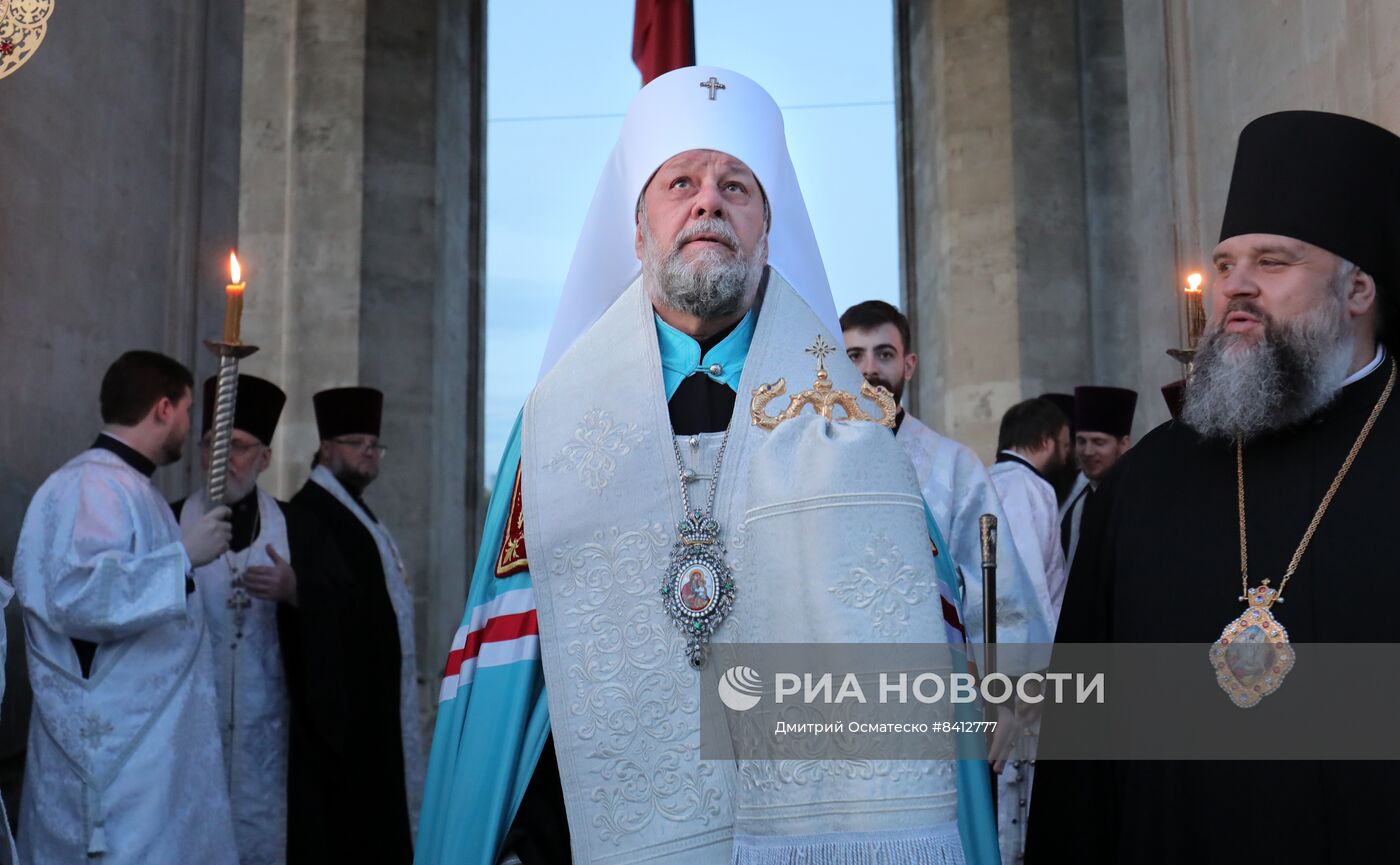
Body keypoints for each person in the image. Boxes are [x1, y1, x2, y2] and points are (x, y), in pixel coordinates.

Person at [417, 67, 1009, 865]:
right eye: (681, 183)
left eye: (737, 185)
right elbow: (512, 660)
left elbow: (913, 649)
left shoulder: (847, 424)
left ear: (768, 226)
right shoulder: (555, 425)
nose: (709, 202)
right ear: (637, 230)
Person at [1027, 110, 1400, 863]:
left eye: (1272, 262)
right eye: (1225, 264)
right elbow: (1084, 743)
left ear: (1357, 289)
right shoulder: (1144, 483)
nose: (1234, 286)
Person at [11, 350, 238, 863]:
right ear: (162, 408)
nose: (187, 426)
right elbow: (77, 595)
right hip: (118, 763)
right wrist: (182, 560)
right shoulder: (92, 483)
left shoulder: (133, 487)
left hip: (153, 759)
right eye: (184, 412)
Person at [172, 374, 350, 865]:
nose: (222, 458)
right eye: (212, 443)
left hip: (274, 747)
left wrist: (298, 592)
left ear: (266, 458)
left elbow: (347, 615)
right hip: (187, 739)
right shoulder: (166, 522)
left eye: (240, 446)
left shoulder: (299, 527)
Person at [842, 300, 1049, 635]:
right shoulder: (818, 462)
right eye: (854, 356)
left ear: (908, 366)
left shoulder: (955, 465)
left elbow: (996, 583)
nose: (870, 370)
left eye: (884, 354)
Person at [289, 385, 421, 864]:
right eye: (358, 444)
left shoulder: (360, 514)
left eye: (375, 445)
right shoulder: (307, 514)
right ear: (326, 448)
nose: (370, 454)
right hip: (345, 720)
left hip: (377, 708)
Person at [989, 399, 1071, 625]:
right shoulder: (1023, 486)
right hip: (1024, 642)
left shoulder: (985, 480)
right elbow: (1027, 577)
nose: (1067, 458)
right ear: (1046, 442)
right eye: (1064, 447)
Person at [1057, 384, 1136, 565]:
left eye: (1098, 442)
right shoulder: (1073, 499)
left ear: (1123, 444)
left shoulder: (1137, 496)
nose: (1088, 451)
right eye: (1081, 441)